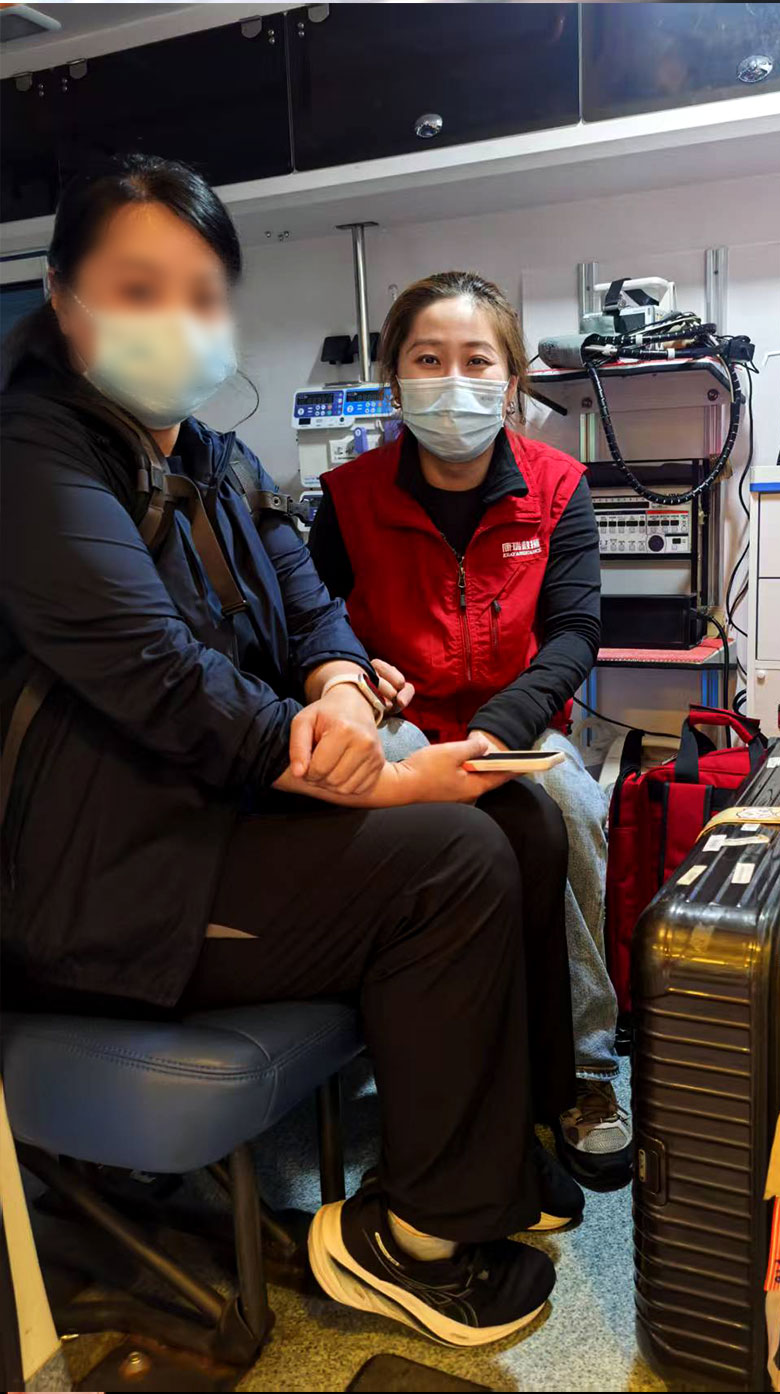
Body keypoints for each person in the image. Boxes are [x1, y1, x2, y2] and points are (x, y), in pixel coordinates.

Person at [0, 156, 583, 1348]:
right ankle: (416, 1240)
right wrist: (379, 773)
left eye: (202, 293)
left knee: (520, 817)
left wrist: (343, 689)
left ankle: (509, 1151)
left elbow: (315, 610)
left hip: (218, 815)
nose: (175, 319)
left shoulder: (218, 459)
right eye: (137, 288)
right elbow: (161, 673)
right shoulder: (32, 458)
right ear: (62, 296)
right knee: (451, 860)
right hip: (105, 876)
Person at [308, 271, 632, 1191]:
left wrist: (501, 725)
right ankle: (411, 1057)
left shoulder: (557, 487)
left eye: (476, 360)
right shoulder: (349, 496)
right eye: (427, 359)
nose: (452, 380)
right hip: (401, 721)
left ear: (512, 379)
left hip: (517, 722)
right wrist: (351, 676)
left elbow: (574, 631)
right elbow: (312, 621)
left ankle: (584, 1071)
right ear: (395, 378)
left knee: (570, 811)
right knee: (388, 823)